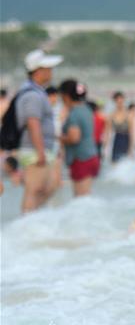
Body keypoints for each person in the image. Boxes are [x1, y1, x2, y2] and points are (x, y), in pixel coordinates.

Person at [15, 49, 63, 212]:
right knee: (33, 190)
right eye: (48, 68)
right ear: (38, 71)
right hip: (34, 150)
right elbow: (32, 122)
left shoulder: (36, 91)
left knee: (49, 186)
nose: (51, 72)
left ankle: (32, 222)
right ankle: (25, 226)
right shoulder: (32, 94)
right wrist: (40, 151)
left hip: (39, 149)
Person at [58, 80, 100, 197]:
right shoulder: (86, 109)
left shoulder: (74, 113)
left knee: (80, 197)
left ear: (66, 96)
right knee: (87, 195)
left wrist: (58, 137)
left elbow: (74, 138)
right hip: (92, 155)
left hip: (81, 158)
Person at [108, 92, 132, 163]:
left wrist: (131, 148)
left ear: (123, 100)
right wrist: (106, 147)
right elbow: (108, 132)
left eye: (121, 100)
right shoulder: (111, 114)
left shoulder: (129, 114)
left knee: (125, 162)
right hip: (116, 139)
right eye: (117, 100)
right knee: (114, 162)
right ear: (115, 101)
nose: (119, 102)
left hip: (126, 138)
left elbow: (132, 132)